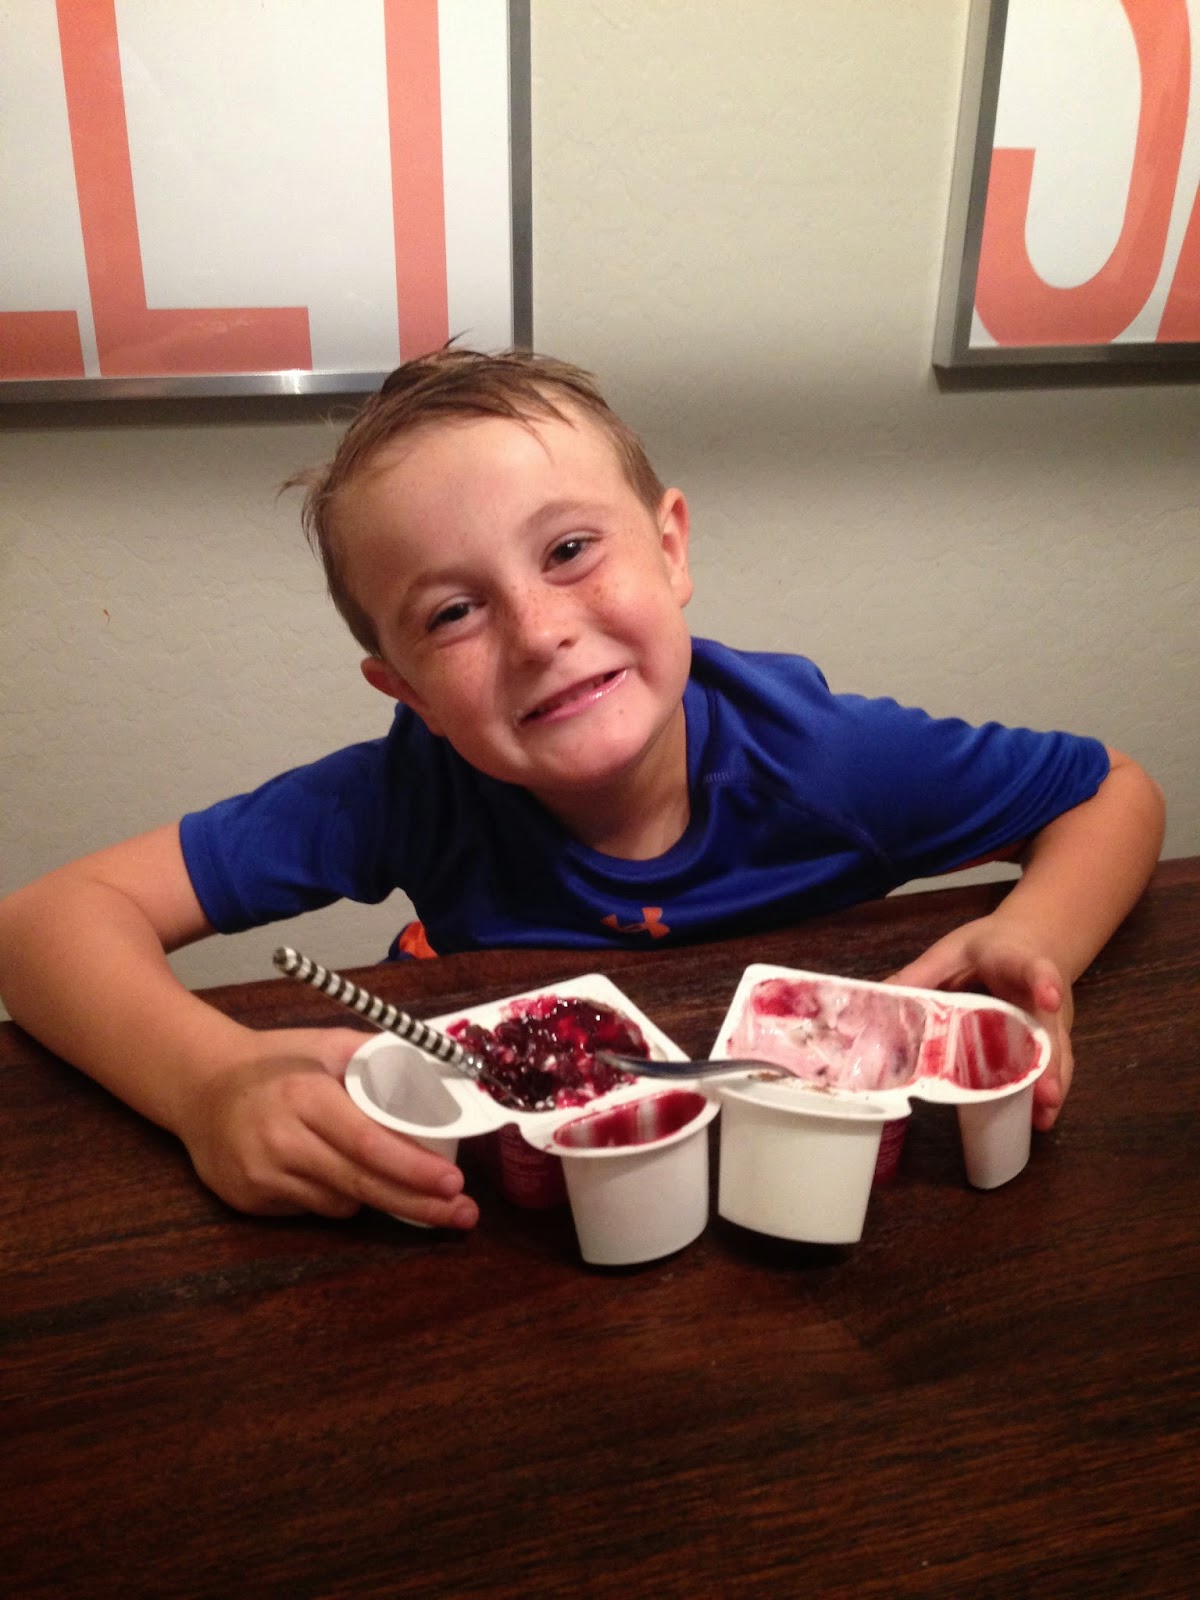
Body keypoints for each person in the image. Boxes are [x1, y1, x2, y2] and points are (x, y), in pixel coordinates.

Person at [0, 348, 1166, 1230]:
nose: (539, 631)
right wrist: (207, 1085)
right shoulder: (410, 789)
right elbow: (47, 924)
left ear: (672, 548)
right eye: (452, 613)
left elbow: (1112, 792)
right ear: (404, 691)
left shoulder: (825, 761)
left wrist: (1033, 935)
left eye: (568, 550)